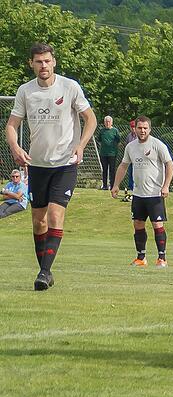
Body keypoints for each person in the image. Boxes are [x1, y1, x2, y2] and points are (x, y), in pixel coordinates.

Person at [5, 43, 97, 291]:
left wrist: (81, 145)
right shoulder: (26, 91)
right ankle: (45, 270)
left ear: (54, 62)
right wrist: (15, 147)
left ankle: (44, 273)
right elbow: (12, 125)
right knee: (38, 222)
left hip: (65, 164)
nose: (43, 65)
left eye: (47, 60)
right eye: (38, 61)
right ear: (31, 64)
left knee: (56, 215)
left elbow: (91, 118)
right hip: (37, 165)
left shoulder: (69, 87)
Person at [111, 116, 173, 268]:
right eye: (139, 128)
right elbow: (123, 166)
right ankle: (141, 257)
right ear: (135, 129)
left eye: (145, 128)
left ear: (150, 129)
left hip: (155, 194)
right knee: (138, 224)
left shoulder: (158, 145)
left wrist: (166, 186)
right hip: (138, 194)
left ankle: (162, 258)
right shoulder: (130, 147)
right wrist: (115, 185)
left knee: (157, 225)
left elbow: (170, 165)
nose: (142, 130)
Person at [97, 115, 121, 190]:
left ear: (111, 122)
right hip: (103, 153)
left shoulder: (115, 131)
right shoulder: (102, 131)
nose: (107, 123)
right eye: (106, 122)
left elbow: (118, 140)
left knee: (112, 170)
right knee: (104, 170)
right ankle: (104, 185)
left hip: (112, 154)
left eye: (109, 122)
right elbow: (99, 140)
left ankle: (112, 185)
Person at [123, 119, 137, 195]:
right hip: (130, 157)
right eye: (131, 127)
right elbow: (127, 146)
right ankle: (131, 187)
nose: (133, 129)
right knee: (131, 172)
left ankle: (137, 187)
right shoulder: (129, 136)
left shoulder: (139, 136)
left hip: (137, 158)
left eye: (134, 127)